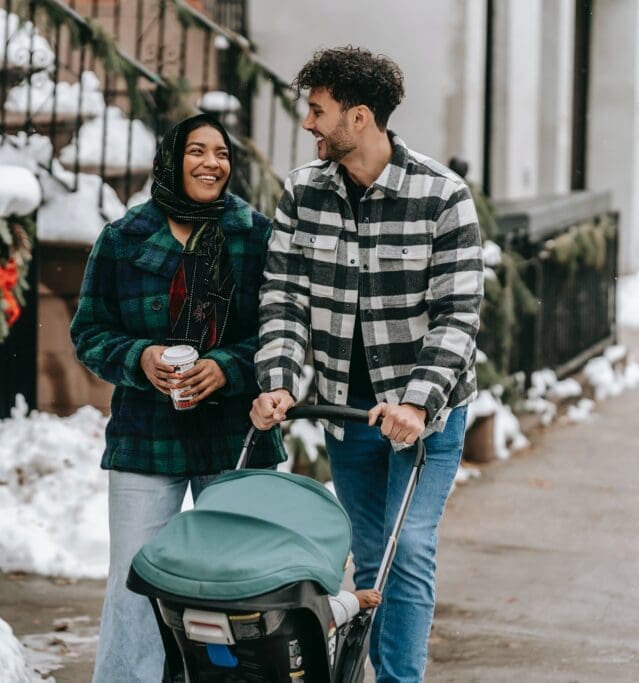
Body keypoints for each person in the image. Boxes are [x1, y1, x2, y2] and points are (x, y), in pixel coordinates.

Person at [250, 47, 483, 682]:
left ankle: (399, 680)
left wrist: (416, 401)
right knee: (372, 555)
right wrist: (277, 381)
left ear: (359, 117)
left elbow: (457, 315)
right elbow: (284, 299)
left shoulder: (442, 196)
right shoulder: (302, 192)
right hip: (347, 416)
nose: (308, 125)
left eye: (317, 111)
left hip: (424, 417)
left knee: (407, 551)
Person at [71, 113, 284, 682]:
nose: (212, 163)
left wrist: (227, 367)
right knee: (134, 581)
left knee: (237, 584)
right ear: (171, 159)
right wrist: (140, 358)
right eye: (197, 150)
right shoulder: (123, 239)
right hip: (146, 436)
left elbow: (281, 332)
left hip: (236, 437)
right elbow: (89, 333)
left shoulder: (254, 235)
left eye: (221, 153)